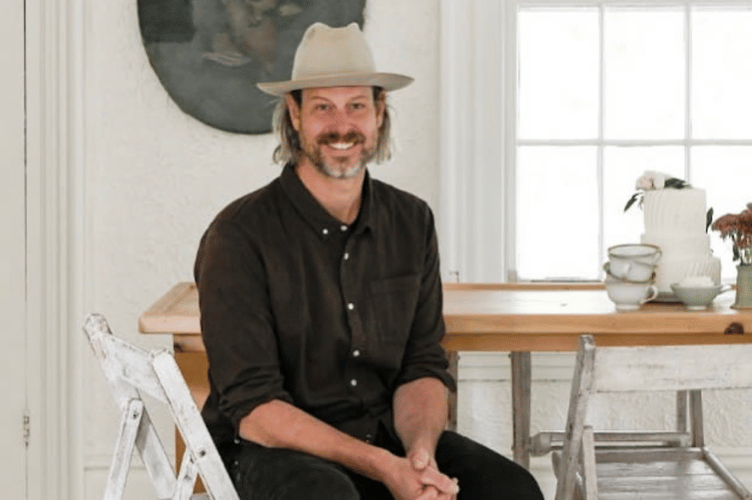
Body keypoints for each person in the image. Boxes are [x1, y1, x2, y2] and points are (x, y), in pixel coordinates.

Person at [194, 22, 544, 500]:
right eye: (323, 108)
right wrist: (384, 468)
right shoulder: (238, 237)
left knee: (512, 491)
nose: (342, 126)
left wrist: (419, 455)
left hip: (385, 435)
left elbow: (421, 365)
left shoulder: (411, 221)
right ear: (294, 115)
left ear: (379, 113)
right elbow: (255, 409)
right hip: (269, 451)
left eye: (356, 105)